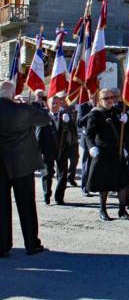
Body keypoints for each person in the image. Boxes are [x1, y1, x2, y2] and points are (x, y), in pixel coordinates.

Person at [0, 81, 50, 257]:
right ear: (13, 93)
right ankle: (31, 243)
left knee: (1, 206)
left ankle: (2, 245)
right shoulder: (23, 109)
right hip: (22, 164)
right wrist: (32, 104)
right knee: (27, 205)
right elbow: (45, 118)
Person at [86, 88, 129, 221]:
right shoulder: (96, 114)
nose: (110, 100)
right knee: (104, 183)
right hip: (103, 152)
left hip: (117, 152)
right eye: (106, 98)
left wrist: (126, 122)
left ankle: (122, 210)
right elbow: (89, 134)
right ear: (100, 100)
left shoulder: (118, 112)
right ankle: (103, 210)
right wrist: (91, 147)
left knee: (122, 183)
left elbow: (126, 132)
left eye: (112, 98)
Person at [36, 95, 76, 205]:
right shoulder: (44, 117)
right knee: (47, 174)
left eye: (56, 103)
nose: (54, 105)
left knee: (63, 174)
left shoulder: (65, 116)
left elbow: (73, 132)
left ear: (60, 104)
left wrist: (69, 122)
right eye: (52, 103)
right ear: (48, 104)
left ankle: (59, 197)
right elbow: (39, 136)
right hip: (48, 150)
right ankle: (46, 195)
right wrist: (39, 153)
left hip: (62, 150)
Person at [77, 93, 96, 197]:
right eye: (92, 95)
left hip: (98, 139)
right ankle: (84, 187)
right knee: (87, 165)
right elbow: (79, 122)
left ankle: (93, 185)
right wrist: (91, 113)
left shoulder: (100, 106)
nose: (94, 97)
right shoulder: (83, 106)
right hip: (87, 139)